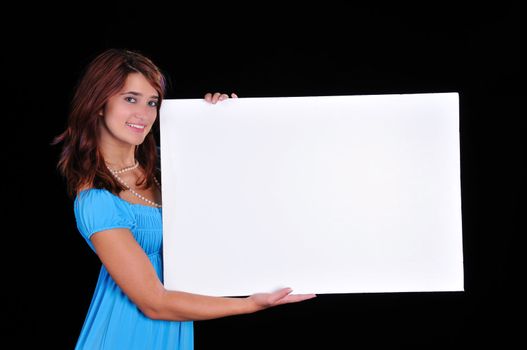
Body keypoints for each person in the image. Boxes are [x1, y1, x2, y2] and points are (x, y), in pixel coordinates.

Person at [53, 48, 316, 349]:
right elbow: (154, 302)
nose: (143, 113)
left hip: (172, 329)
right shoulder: (96, 200)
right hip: (126, 334)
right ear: (99, 103)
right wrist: (249, 304)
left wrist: (221, 122)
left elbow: (241, 192)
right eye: (130, 99)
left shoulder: (167, 171)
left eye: (152, 102)